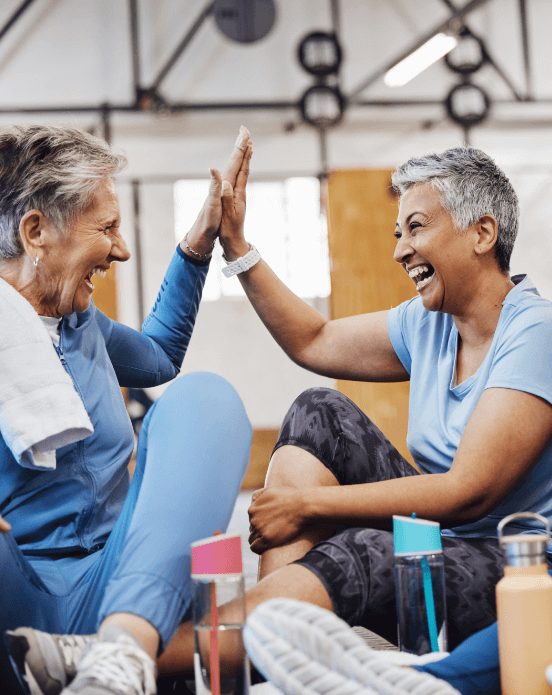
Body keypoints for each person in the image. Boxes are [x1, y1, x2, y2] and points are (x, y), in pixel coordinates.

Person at [11, 142, 552, 690]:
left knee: (360, 552)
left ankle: (123, 656)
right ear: (34, 235)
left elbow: (470, 491)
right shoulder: (428, 324)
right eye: (398, 234)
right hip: (28, 574)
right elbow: (313, 339)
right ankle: (265, 650)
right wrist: (236, 246)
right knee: (319, 411)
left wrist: (307, 504)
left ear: (482, 234)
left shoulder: (535, 333)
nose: (400, 250)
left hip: (521, 566)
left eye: (415, 228)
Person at [0, 124, 254, 695]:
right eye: (107, 228)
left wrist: (200, 240)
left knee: (205, 397)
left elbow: (161, 357)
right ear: (36, 231)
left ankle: (123, 650)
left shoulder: (81, 322)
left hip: (123, 584)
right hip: (18, 595)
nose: (121, 248)